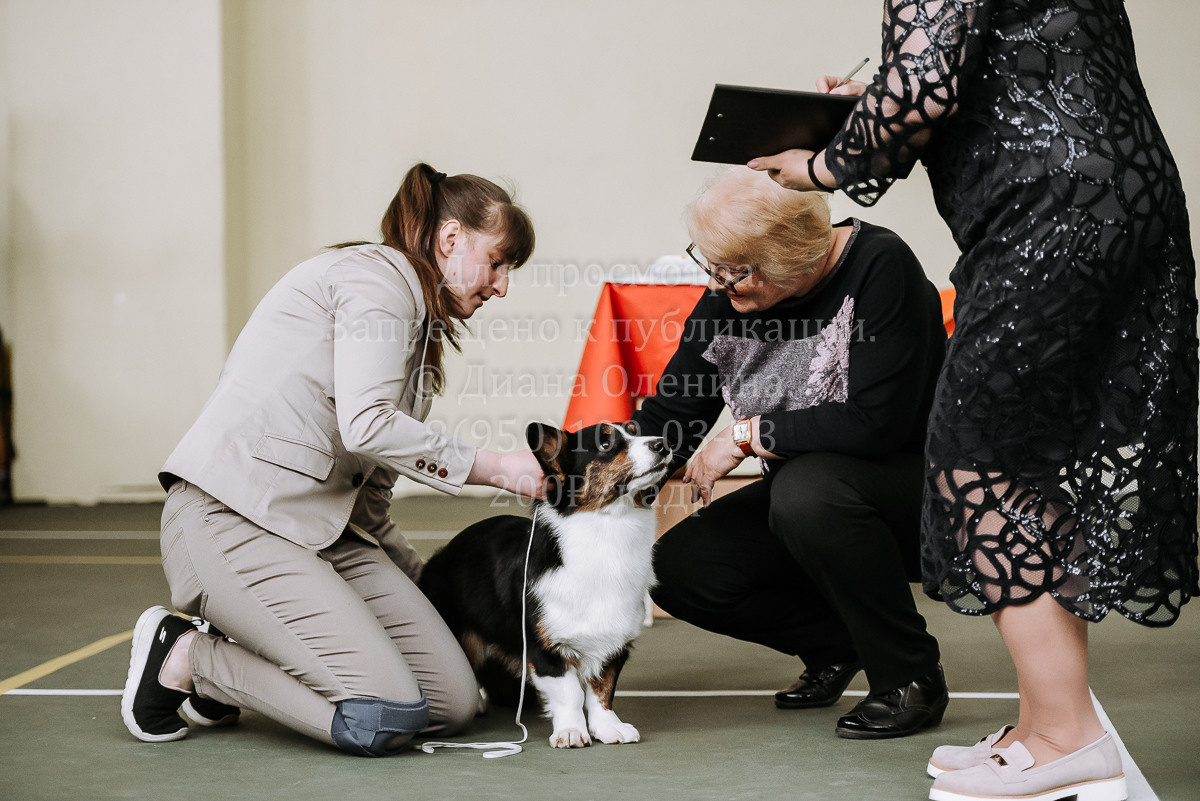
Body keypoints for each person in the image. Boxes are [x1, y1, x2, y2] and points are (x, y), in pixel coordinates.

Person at [749, 3, 1197, 800]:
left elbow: (921, 93)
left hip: (1051, 212)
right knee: (1024, 462)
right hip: (1116, 195)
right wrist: (872, 110)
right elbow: (996, 71)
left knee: (971, 460)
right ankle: (1046, 721)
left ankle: (1067, 732)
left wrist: (818, 165)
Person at [121, 163, 546, 756]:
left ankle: (254, 643)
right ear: (450, 239)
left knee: (452, 704)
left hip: (324, 535)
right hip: (232, 517)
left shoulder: (420, 348)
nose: (501, 286)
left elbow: (368, 501)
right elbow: (367, 424)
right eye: (498, 262)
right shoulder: (380, 281)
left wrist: (427, 590)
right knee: (385, 717)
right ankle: (193, 657)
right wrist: (499, 467)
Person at [632, 166, 950, 739]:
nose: (720, 285)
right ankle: (838, 643)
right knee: (679, 568)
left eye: (736, 271)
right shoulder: (728, 300)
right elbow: (671, 416)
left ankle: (910, 676)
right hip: (811, 497)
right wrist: (585, 482)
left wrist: (744, 436)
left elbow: (874, 424)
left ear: (788, 255)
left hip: (916, 493)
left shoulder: (880, 267)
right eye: (715, 267)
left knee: (809, 492)